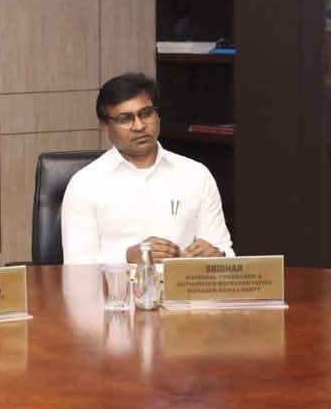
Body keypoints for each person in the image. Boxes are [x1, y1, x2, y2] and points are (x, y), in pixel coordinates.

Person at [61, 73, 234, 265]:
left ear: (158, 116)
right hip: (116, 284)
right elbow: (76, 267)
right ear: (105, 127)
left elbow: (224, 250)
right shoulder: (85, 184)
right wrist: (127, 258)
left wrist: (218, 255)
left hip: (182, 283)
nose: (139, 126)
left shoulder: (195, 175)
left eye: (146, 113)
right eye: (125, 119)